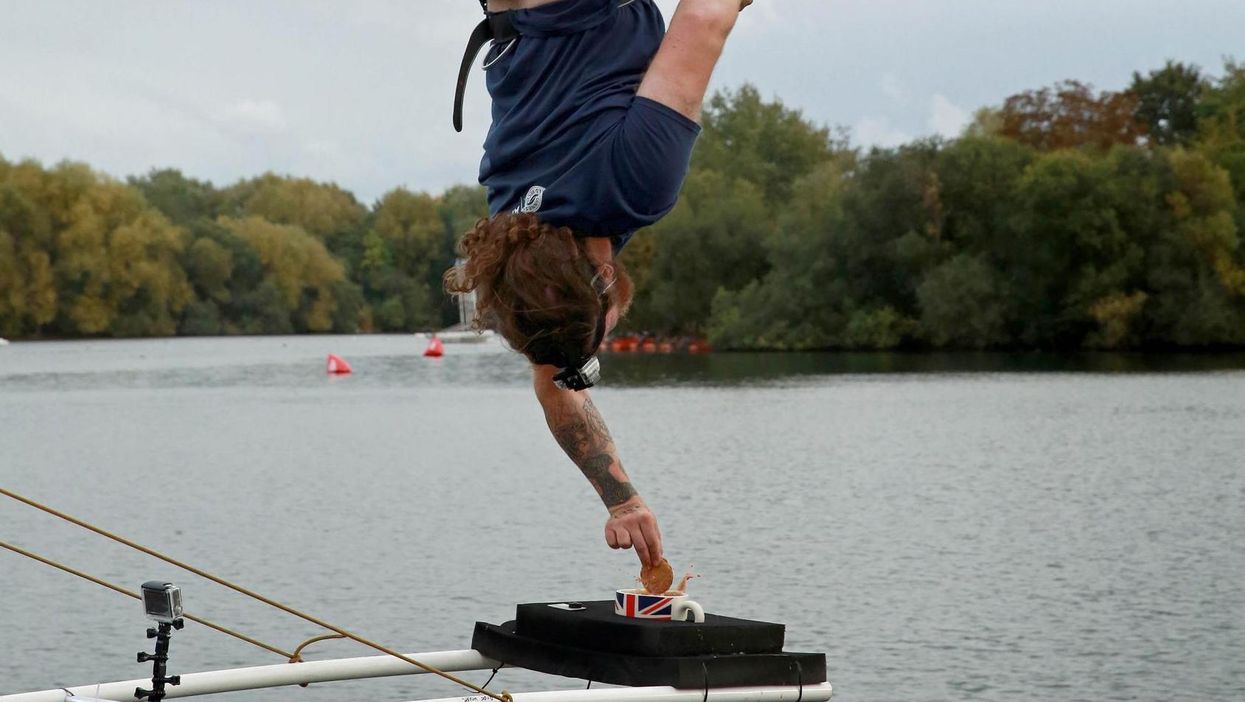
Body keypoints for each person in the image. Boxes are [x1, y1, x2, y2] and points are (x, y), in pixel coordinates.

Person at [445, 0, 749, 569]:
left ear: (605, 279)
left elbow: (706, 17)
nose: (604, 337)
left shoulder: (632, 186)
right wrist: (621, 499)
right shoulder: (516, 236)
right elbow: (554, 382)